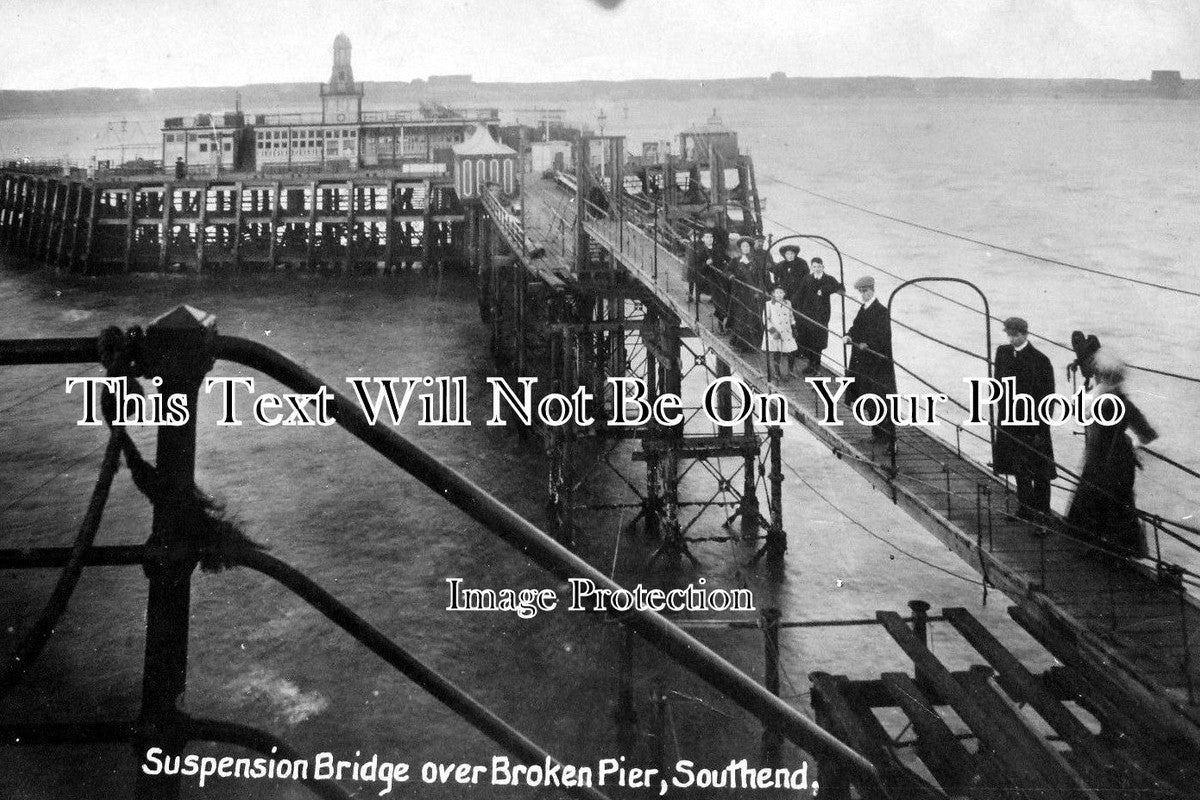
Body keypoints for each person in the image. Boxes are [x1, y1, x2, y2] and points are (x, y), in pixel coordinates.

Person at [1066, 353, 1157, 556]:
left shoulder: (1093, 397)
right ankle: (1114, 552)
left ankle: (1101, 548)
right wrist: (1132, 444)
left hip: (1098, 461)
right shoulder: (1121, 403)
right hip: (1116, 462)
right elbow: (1147, 434)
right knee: (1117, 508)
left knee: (1095, 503)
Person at [990, 316, 1057, 520]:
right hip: (1010, 422)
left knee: (1040, 472)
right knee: (1018, 467)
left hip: (1034, 424)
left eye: (1015, 336)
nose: (1011, 340)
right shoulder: (1002, 353)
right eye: (1009, 335)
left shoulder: (1041, 360)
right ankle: (1025, 509)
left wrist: (1040, 428)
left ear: (1025, 334)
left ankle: (1043, 513)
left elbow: (1048, 397)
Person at [844, 276, 896, 444]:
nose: (863, 295)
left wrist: (869, 344)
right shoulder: (864, 308)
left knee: (878, 396)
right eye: (861, 292)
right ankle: (876, 433)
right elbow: (856, 326)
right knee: (866, 395)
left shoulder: (881, 311)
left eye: (865, 291)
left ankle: (885, 435)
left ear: (872, 290)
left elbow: (884, 337)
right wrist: (849, 335)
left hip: (877, 363)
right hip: (863, 362)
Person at [793, 257, 845, 375]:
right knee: (808, 340)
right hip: (807, 314)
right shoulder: (807, 278)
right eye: (814, 267)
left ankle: (816, 366)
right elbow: (800, 293)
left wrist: (825, 289)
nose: (817, 269)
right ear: (811, 267)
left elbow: (841, 289)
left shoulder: (828, 279)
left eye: (819, 266)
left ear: (823, 267)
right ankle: (810, 365)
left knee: (818, 342)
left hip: (821, 315)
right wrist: (792, 305)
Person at [727, 237, 763, 351]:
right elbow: (727, 271)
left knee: (751, 318)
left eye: (747, 246)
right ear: (741, 248)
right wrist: (731, 275)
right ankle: (739, 344)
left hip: (752, 294)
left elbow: (761, 278)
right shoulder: (736, 260)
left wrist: (758, 291)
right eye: (743, 246)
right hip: (739, 293)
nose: (746, 248)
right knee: (740, 317)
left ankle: (752, 345)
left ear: (750, 248)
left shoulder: (756, 261)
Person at [762, 286, 798, 379]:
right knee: (777, 352)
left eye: (781, 293)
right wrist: (773, 331)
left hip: (786, 331)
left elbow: (791, 316)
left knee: (792, 351)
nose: (779, 295)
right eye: (777, 292)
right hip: (776, 332)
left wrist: (794, 327)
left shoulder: (788, 303)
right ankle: (777, 372)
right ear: (773, 294)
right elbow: (766, 319)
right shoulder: (769, 304)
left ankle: (790, 371)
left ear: (784, 294)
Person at [687, 230, 719, 304]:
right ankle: (691, 296)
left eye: (711, 237)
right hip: (695, 267)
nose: (695, 238)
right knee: (692, 282)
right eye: (707, 237)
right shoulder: (694, 246)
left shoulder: (701, 246)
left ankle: (700, 298)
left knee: (699, 283)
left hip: (702, 268)